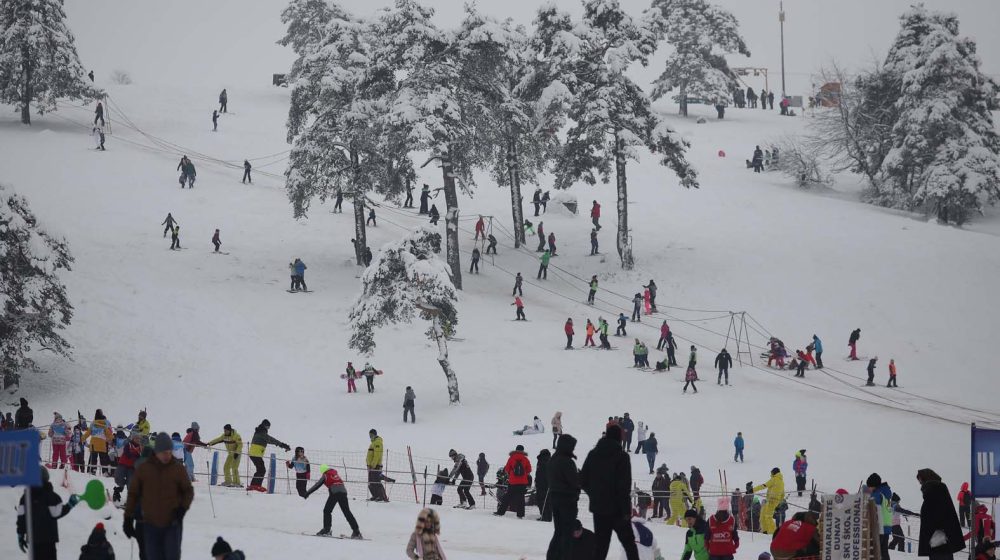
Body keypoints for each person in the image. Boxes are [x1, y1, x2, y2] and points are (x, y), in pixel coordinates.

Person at [123, 432, 195, 560]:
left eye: (169, 452)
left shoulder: (178, 469)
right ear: (157, 452)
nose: (167, 455)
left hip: (172, 523)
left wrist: (182, 509)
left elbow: (188, 491)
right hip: (150, 524)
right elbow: (133, 494)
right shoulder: (145, 469)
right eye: (163, 452)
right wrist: (128, 518)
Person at [580, 424, 640, 560]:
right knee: (629, 545)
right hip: (618, 510)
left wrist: (594, 495)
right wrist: (626, 511)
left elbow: (582, 480)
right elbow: (624, 486)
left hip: (599, 509)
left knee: (600, 548)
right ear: (619, 437)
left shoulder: (593, 454)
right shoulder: (622, 456)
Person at [16, 466, 80, 558]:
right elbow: (56, 513)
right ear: (46, 478)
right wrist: (70, 505)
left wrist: (20, 534)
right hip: (49, 539)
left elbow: (21, 517)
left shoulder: (25, 497)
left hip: (33, 539)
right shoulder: (52, 496)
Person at [917, 468, 965, 560]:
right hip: (942, 537)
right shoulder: (938, 488)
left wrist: (934, 529)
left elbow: (937, 513)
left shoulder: (933, 489)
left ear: (926, 478)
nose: (920, 483)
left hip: (938, 537)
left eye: (920, 480)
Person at [305, 465, 362, 538]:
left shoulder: (325, 475)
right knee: (347, 511)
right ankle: (356, 532)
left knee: (327, 511)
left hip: (335, 492)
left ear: (323, 471)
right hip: (343, 491)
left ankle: (327, 530)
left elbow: (317, 485)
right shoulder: (335, 473)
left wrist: (307, 493)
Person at [247, 419, 290, 492]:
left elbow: (268, 439)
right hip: (256, 454)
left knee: (260, 469)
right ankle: (257, 485)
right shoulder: (262, 433)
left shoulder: (259, 431)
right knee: (262, 470)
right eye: (268, 427)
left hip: (254, 453)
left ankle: (253, 485)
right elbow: (271, 439)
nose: (268, 429)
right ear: (265, 426)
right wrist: (282, 445)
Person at [495, 444, 532, 518]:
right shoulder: (525, 459)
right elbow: (529, 470)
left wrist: (511, 474)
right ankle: (520, 515)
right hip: (522, 483)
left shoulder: (511, 458)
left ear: (516, 450)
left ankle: (500, 512)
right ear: (523, 450)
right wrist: (524, 473)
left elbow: (507, 469)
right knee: (521, 498)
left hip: (513, 482)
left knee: (507, 497)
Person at [753, 468, 785, 534]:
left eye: (771, 472)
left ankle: (772, 532)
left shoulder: (774, 479)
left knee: (767, 516)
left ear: (774, 472)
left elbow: (764, 486)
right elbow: (783, 494)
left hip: (771, 500)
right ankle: (765, 530)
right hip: (773, 501)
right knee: (763, 515)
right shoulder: (782, 482)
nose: (771, 474)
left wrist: (752, 490)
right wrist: (779, 503)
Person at [112, 433, 142, 503]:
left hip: (132, 468)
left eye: (139, 439)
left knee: (131, 483)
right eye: (136, 438)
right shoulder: (128, 444)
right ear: (133, 439)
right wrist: (135, 458)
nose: (138, 440)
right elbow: (127, 453)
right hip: (123, 464)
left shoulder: (140, 448)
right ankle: (119, 489)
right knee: (118, 478)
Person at [84, 410, 113, 476]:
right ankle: (105, 471)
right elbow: (110, 431)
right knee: (103, 457)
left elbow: (88, 432)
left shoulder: (93, 423)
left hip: (94, 442)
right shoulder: (106, 422)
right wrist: (111, 439)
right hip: (103, 442)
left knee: (93, 456)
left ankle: (91, 470)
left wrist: (83, 438)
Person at [366, 428, 388, 501]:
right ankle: (375, 495)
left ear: (375, 434)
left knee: (376, 481)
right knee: (371, 482)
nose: (370, 436)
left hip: (375, 466)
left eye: (371, 435)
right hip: (371, 466)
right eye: (369, 435)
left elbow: (377, 455)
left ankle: (382, 496)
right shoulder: (373, 443)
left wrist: (373, 465)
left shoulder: (377, 442)